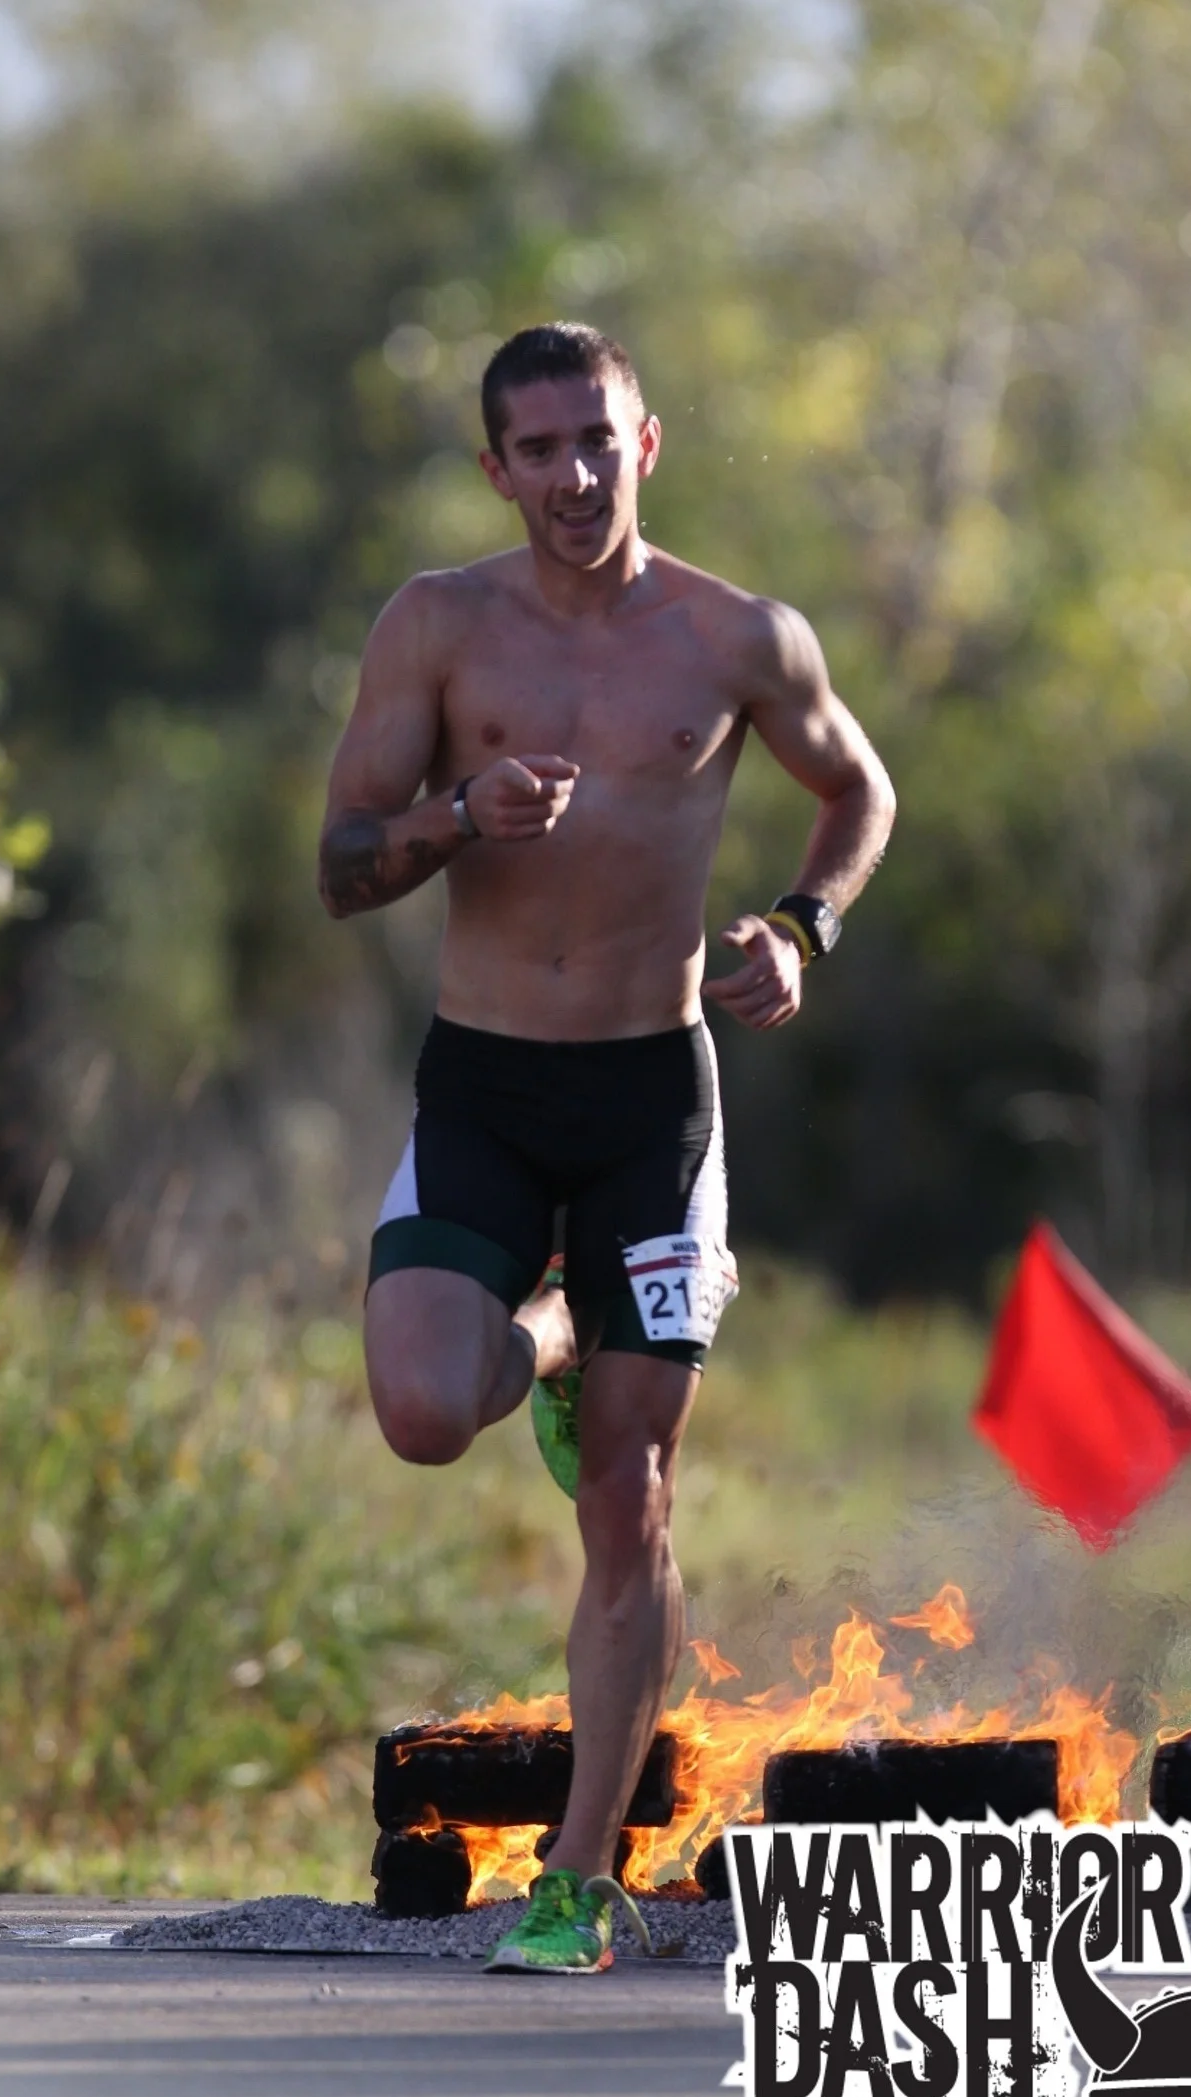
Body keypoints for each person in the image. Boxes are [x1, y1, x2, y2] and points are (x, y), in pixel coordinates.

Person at [318, 321, 895, 1972]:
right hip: (486, 1090)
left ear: (649, 442)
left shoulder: (735, 638)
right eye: (537, 450)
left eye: (598, 440)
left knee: (632, 1495)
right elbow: (341, 862)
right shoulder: (436, 628)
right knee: (427, 1412)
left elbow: (859, 793)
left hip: (652, 1097)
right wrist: (452, 821)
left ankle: (576, 1876)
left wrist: (802, 926)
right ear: (491, 468)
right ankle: (551, 1328)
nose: (572, 477)